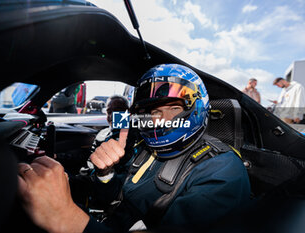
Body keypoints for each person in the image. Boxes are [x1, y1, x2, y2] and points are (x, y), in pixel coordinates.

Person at [18, 64, 251, 233]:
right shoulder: (144, 147)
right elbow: (119, 196)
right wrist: (105, 173)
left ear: (196, 108)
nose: (159, 119)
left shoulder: (222, 170)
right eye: (152, 111)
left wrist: (68, 219)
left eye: (173, 107)